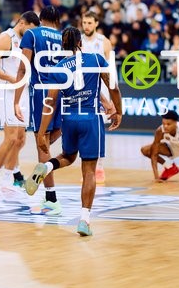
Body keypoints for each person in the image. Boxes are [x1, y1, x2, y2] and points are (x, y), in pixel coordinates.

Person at [23, 27, 122, 237]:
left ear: (62, 46)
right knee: (88, 171)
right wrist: (118, 111)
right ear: (80, 42)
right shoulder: (95, 59)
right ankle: (84, 220)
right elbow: (113, 86)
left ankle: (47, 165)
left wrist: (41, 133)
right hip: (91, 119)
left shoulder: (58, 67)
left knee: (68, 155)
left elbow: (50, 101)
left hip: (69, 119)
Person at [0, 11, 40, 197]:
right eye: (30, 30)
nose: (31, 35)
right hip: (7, 91)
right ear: (22, 23)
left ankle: (7, 179)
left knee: (21, 139)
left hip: (22, 91)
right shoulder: (6, 38)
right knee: (11, 137)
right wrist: (10, 78)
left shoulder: (26, 41)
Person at [14, 5, 65, 216]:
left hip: (42, 93)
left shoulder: (32, 34)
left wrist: (16, 101)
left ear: (40, 18)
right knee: (50, 140)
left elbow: (23, 68)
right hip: (63, 91)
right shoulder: (64, 37)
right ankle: (43, 169)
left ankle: (52, 198)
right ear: (57, 20)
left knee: (41, 144)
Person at [80, 11, 116, 184]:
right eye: (84, 22)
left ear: (96, 24)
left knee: (99, 127)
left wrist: (112, 95)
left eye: (89, 23)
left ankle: (100, 166)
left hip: (101, 88)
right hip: (82, 89)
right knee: (84, 126)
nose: (86, 26)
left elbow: (110, 71)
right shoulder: (78, 41)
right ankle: (87, 164)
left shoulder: (103, 42)